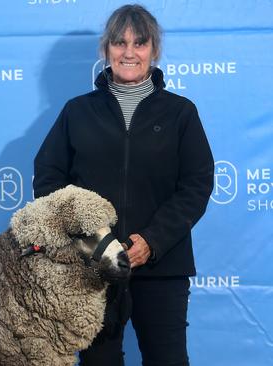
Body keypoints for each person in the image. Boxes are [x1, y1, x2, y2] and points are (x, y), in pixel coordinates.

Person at [33, 4, 214, 366]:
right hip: (93, 268)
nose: (129, 52)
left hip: (162, 267)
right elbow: (49, 179)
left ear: (154, 50)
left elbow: (196, 185)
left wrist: (153, 240)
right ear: (106, 50)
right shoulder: (77, 111)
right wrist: (92, 241)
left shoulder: (181, 113)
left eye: (140, 43)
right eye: (119, 43)